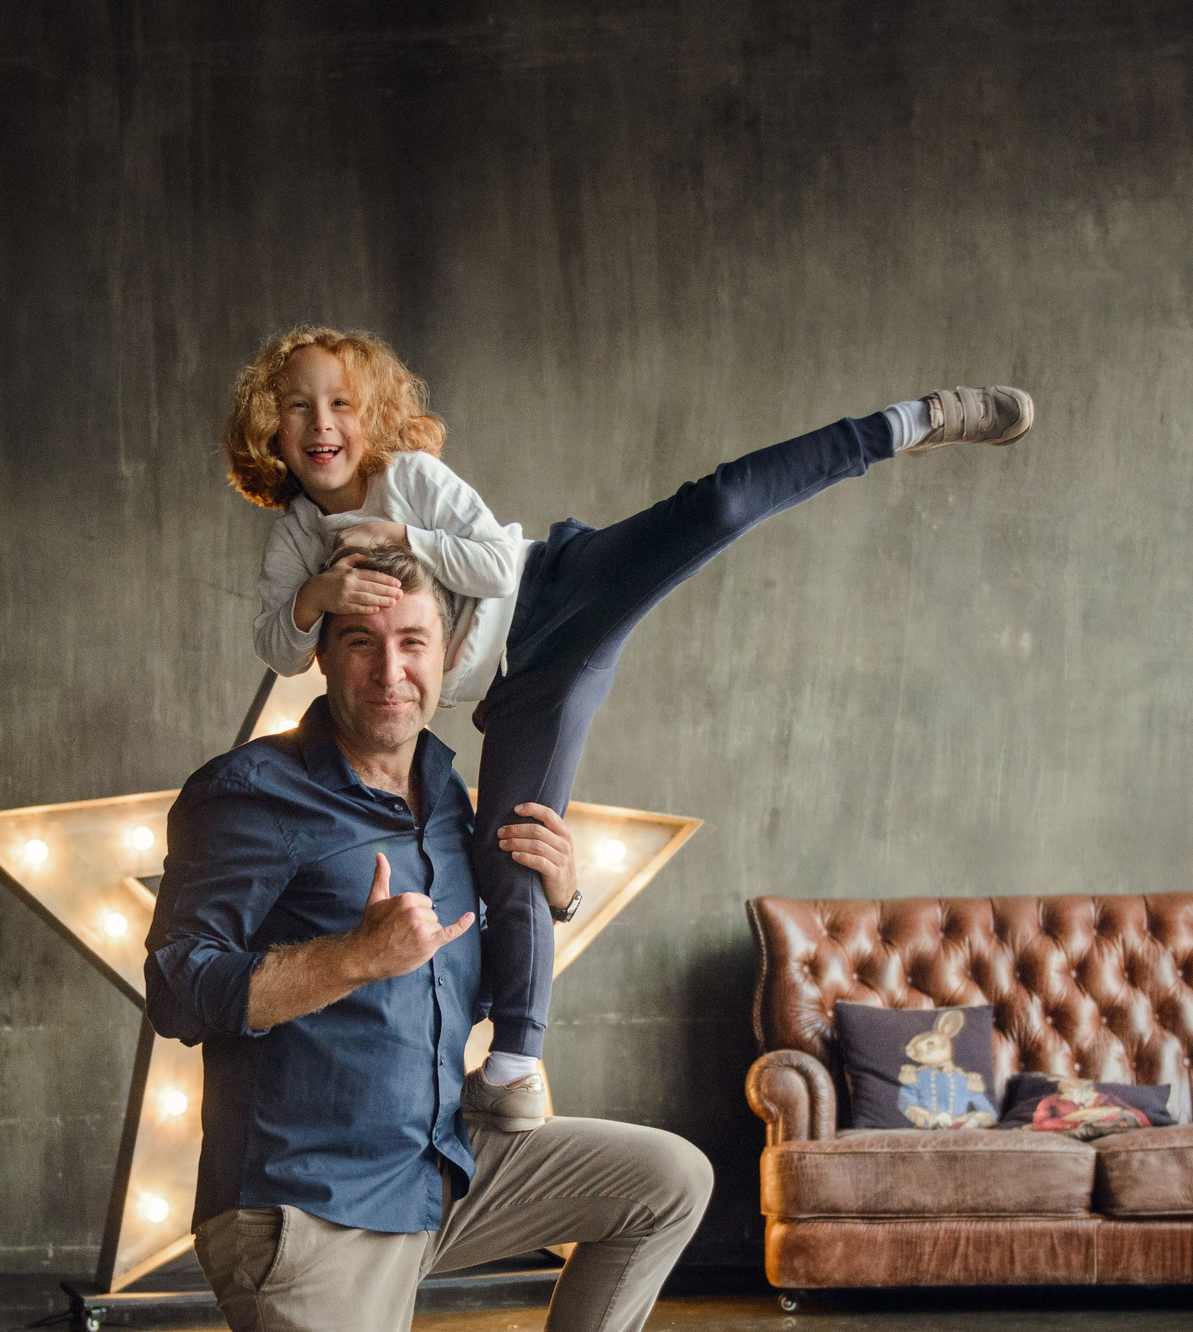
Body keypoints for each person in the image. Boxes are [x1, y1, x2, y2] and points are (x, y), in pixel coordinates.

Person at [0, 557, 713, 1332]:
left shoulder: (450, 794)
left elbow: (476, 980)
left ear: (449, 656)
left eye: (413, 642)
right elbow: (179, 988)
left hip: (431, 1167)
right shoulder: (246, 793)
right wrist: (348, 958)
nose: (388, 670)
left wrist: (557, 897)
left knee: (667, 1178)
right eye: (360, 641)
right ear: (319, 651)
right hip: (303, 1205)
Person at [219, 325, 1032, 1131]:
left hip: (560, 592)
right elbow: (276, 644)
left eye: (339, 403)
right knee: (517, 845)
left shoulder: (411, 479)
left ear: (373, 414)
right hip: (523, 690)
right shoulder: (297, 534)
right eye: (297, 408)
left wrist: (403, 538)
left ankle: (908, 422)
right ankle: (513, 1069)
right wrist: (316, 597)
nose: (321, 423)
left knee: (715, 507)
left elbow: (497, 564)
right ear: (271, 428)